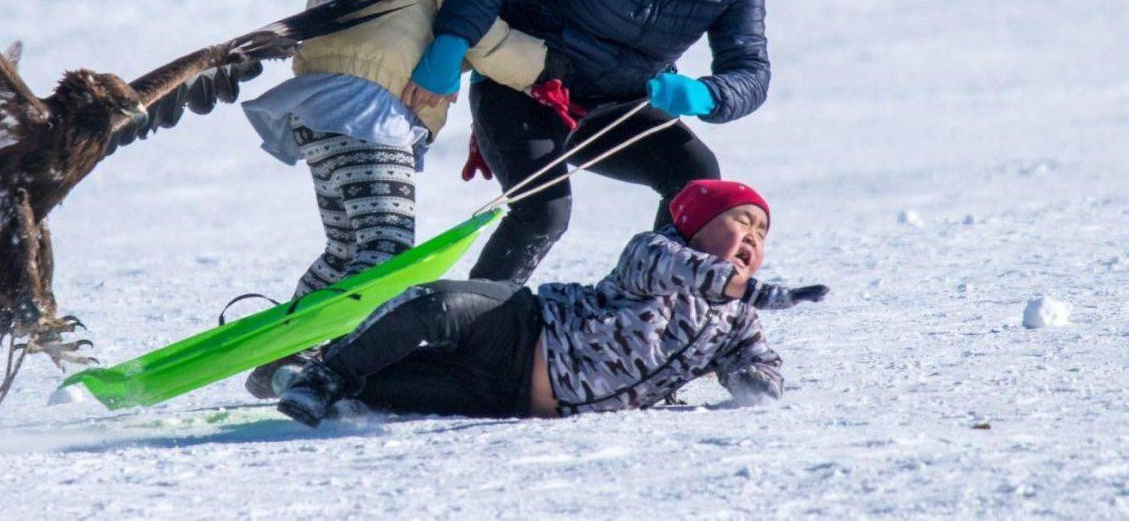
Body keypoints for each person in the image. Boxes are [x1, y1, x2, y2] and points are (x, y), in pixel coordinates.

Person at [240, 0, 548, 393]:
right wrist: (546, 69)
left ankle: (284, 355)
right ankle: (327, 370)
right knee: (384, 253)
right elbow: (474, 27)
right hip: (370, 109)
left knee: (349, 246)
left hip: (319, 104)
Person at [401, 0, 770, 284]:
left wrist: (706, 95)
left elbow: (750, 71)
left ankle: (654, 311)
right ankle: (472, 333)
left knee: (697, 180)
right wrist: (451, 44)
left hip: (618, 104)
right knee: (543, 213)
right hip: (529, 87)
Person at [276, 179, 826, 425]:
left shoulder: (738, 322)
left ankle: (293, 376)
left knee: (384, 390)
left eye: (762, 233)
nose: (753, 238)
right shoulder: (655, 253)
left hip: (513, 398)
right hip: (522, 326)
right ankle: (322, 376)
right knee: (432, 305)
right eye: (741, 221)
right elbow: (683, 270)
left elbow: (758, 363)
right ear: (697, 226)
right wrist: (757, 289)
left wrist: (756, 385)